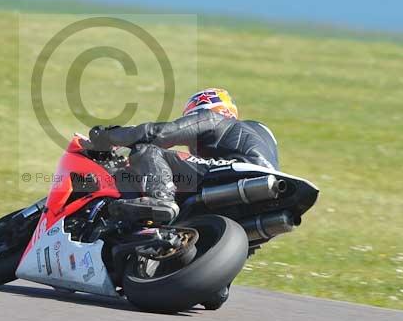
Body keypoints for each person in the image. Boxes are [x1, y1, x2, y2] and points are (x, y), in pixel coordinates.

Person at [89, 88, 279, 223]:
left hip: (237, 170)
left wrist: (108, 135)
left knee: (147, 149)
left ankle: (161, 199)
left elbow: (158, 134)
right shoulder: (259, 132)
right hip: (270, 192)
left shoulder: (214, 118)